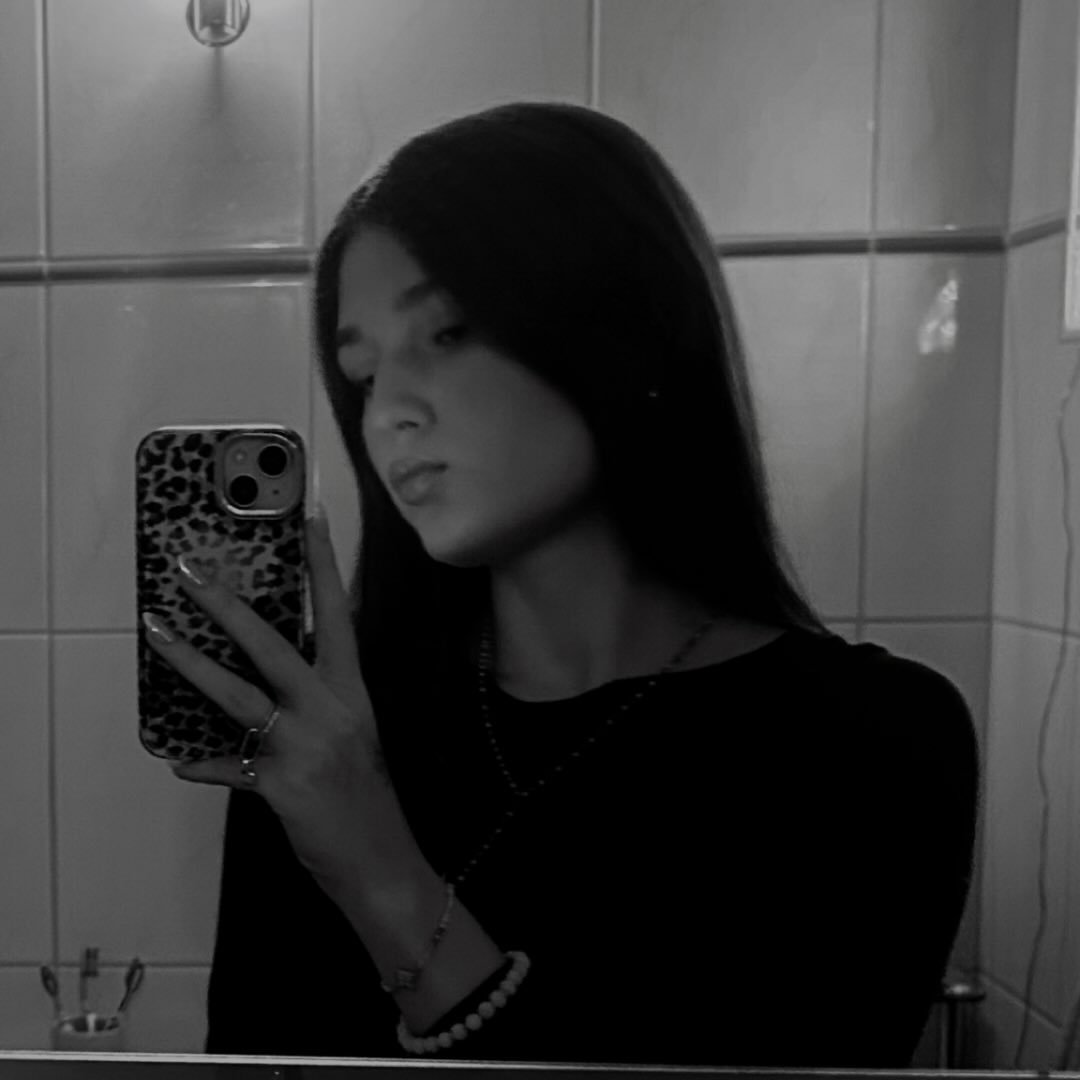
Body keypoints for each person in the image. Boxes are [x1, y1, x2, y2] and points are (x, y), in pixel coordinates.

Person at [145, 101, 979, 1067]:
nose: (389, 415)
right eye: (363, 374)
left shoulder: (875, 743)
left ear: (630, 331)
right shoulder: (332, 732)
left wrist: (381, 873)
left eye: (446, 334)